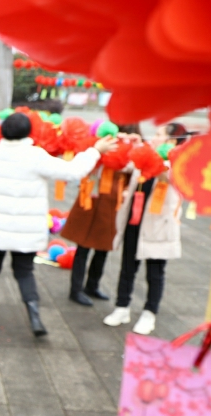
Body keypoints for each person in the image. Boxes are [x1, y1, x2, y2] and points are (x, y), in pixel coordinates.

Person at [0, 114, 118, 335]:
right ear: (29, 133)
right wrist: (95, 150)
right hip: (26, 231)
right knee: (25, 271)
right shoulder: (36, 156)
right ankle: (34, 316)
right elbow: (73, 170)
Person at [103, 123, 186, 335]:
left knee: (155, 272)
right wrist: (125, 143)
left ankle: (150, 313)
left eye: (159, 135)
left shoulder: (179, 165)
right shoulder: (145, 157)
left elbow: (168, 178)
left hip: (159, 227)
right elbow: (124, 166)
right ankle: (122, 307)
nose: (154, 138)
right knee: (127, 266)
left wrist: (155, 160)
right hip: (135, 221)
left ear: (172, 141)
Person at [62, 124, 142, 306]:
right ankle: (76, 289)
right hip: (91, 199)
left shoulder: (133, 149)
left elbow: (136, 170)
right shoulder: (101, 143)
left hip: (112, 203)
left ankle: (92, 285)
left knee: (103, 247)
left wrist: (133, 146)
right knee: (83, 246)